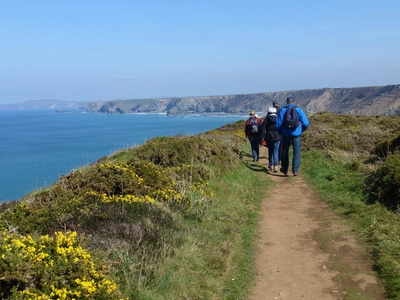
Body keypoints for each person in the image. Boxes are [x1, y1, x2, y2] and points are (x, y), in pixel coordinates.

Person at [276, 97, 309, 176]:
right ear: (294, 102)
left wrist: (281, 132)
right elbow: (306, 123)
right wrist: (301, 130)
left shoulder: (283, 110)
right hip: (296, 134)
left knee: (285, 151)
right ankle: (295, 170)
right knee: (296, 152)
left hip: (285, 134)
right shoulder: (298, 110)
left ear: (287, 102)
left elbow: (278, 124)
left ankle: (285, 169)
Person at [261, 106, 282, 172]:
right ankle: (276, 165)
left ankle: (271, 164)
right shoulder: (278, 118)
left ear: (269, 112)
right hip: (278, 136)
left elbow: (263, 129)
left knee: (270, 151)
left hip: (269, 136)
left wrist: (261, 138)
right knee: (276, 151)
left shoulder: (267, 119)